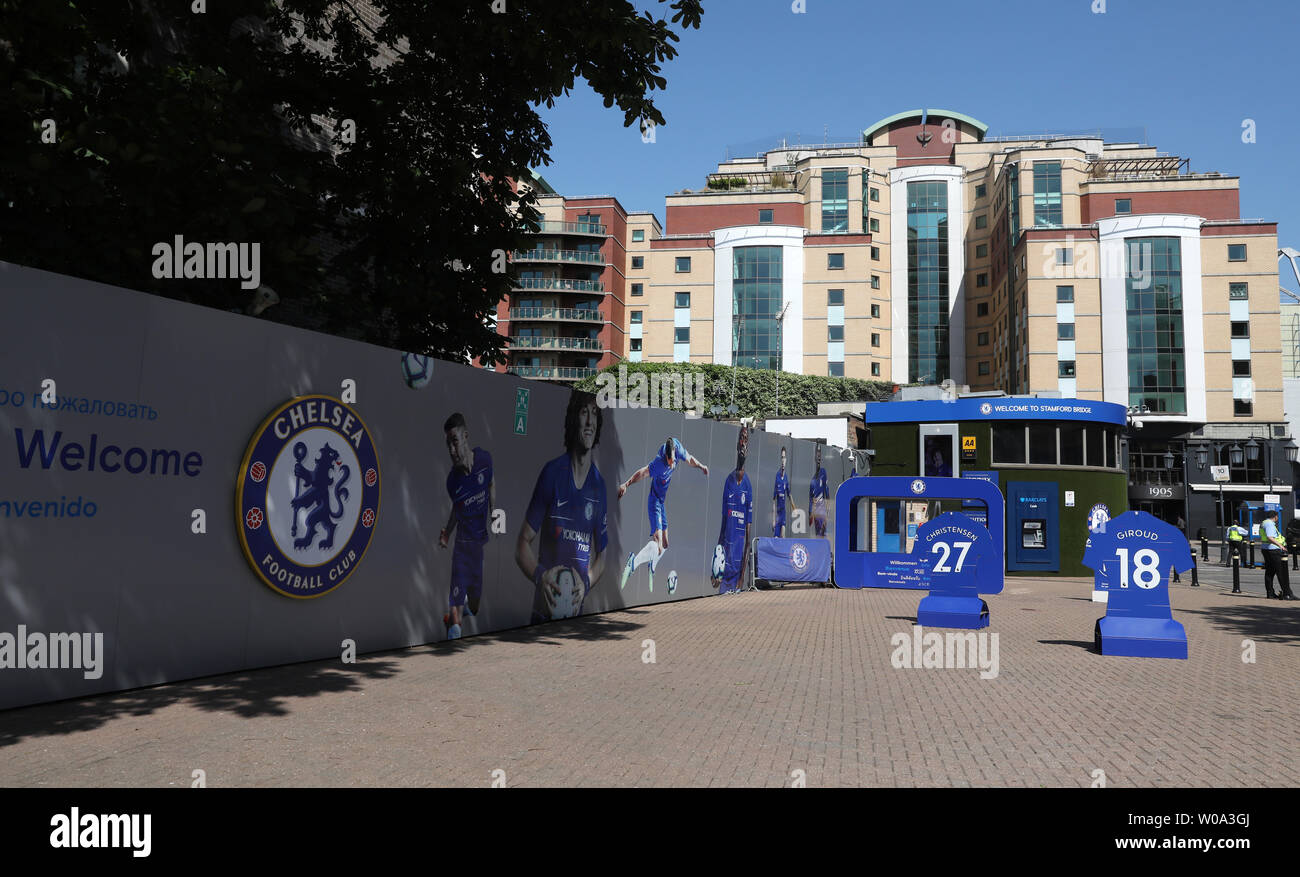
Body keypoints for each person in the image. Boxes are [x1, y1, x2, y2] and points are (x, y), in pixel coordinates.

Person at [516, 391, 608, 623]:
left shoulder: (598, 486)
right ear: (573, 419)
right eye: (584, 412)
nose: (589, 421)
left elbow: (602, 557)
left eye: (594, 414)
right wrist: (541, 576)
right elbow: (522, 545)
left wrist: (585, 583)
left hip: (576, 618)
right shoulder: (552, 473)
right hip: (542, 615)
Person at [618, 435, 708, 593]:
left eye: (672, 459)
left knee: (665, 544)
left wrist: (701, 466)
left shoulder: (677, 448)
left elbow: (689, 459)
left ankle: (652, 564)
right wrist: (626, 484)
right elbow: (642, 473)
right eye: (669, 460)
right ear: (665, 456)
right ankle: (633, 562)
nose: (671, 463)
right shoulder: (659, 463)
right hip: (655, 502)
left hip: (661, 501)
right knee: (658, 543)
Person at [439, 413, 494, 640]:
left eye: (455, 441)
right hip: (462, 546)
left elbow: (490, 483)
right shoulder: (452, 482)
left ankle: (461, 612)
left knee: (476, 604)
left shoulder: (484, 460)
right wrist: (447, 533)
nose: (452, 450)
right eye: (448, 445)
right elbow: (457, 508)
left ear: (466, 436)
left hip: (478, 544)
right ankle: (454, 624)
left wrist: (495, 512)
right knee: (457, 618)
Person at [713, 425, 753, 595]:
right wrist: (716, 565)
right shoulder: (728, 481)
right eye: (741, 440)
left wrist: (742, 575)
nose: (743, 445)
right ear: (737, 446)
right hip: (726, 559)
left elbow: (749, 535)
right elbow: (723, 523)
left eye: (746, 441)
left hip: (738, 567)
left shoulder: (748, 485)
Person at [1259, 509, 1297, 600]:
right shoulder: (1269, 524)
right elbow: (1270, 537)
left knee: (1270, 572)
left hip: (1266, 549)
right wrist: (1280, 545)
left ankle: (1270, 593)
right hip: (1273, 550)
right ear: (1275, 516)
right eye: (1277, 517)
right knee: (1281, 572)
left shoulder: (1263, 523)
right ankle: (1287, 593)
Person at [808, 444, 829, 538]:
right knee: (818, 535)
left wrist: (827, 512)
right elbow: (810, 500)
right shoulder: (812, 481)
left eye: (820, 455)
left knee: (823, 533)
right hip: (816, 511)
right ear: (815, 458)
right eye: (817, 455)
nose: (819, 457)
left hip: (822, 510)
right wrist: (810, 514)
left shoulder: (823, 472)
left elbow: (827, 493)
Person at [772, 446, 793, 538]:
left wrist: (794, 508)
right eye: (781, 457)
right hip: (777, 514)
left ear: (786, 460)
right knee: (776, 538)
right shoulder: (777, 476)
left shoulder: (786, 478)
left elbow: (789, 495)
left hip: (783, 513)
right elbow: (773, 500)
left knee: (783, 536)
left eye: (784, 458)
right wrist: (773, 519)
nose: (783, 460)